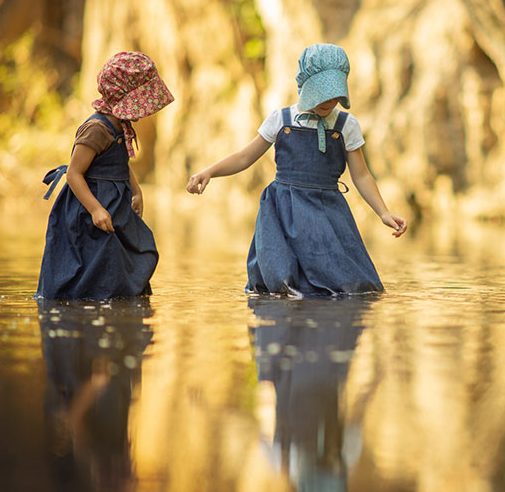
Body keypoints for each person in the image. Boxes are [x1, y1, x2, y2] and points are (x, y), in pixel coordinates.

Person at [187, 43, 407, 297]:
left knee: (351, 284)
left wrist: (383, 212)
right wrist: (209, 172)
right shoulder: (281, 120)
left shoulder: (347, 125)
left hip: (327, 211)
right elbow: (245, 156)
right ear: (305, 86)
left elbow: (361, 175)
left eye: (334, 94)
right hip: (283, 210)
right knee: (282, 278)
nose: (329, 101)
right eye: (321, 93)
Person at [37, 51, 174, 300]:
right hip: (90, 209)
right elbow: (74, 174)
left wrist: (136, 189)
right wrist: (95, 209)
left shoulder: (121, 126)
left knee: (133, 251)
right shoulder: (97, 129)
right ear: (123, 98)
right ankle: (86, 304)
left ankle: (118, 299)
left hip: (116, 207)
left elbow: (120, 162)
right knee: (96, 259)